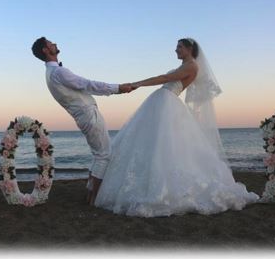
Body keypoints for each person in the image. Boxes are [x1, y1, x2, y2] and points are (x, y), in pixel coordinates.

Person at [94, 38, 258, 217]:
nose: (176, 50)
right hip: (162, 101)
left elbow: (164, 78)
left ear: (189, 48)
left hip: (167, 103)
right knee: (152, 144)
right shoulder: (186, 65)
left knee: (164, 145)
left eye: (179, 47)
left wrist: (137, 84)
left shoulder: (192, 66)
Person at [32, 37, 136, 205]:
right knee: (104, 156)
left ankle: (90, 193)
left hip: (83, 115)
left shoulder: (51, 73)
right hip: (87, 114)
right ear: (45, 50)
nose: (54, 44)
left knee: (98, 155)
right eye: (50, 43)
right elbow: (87, 84)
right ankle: (95, 198)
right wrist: (118, 88)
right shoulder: (58, 72)